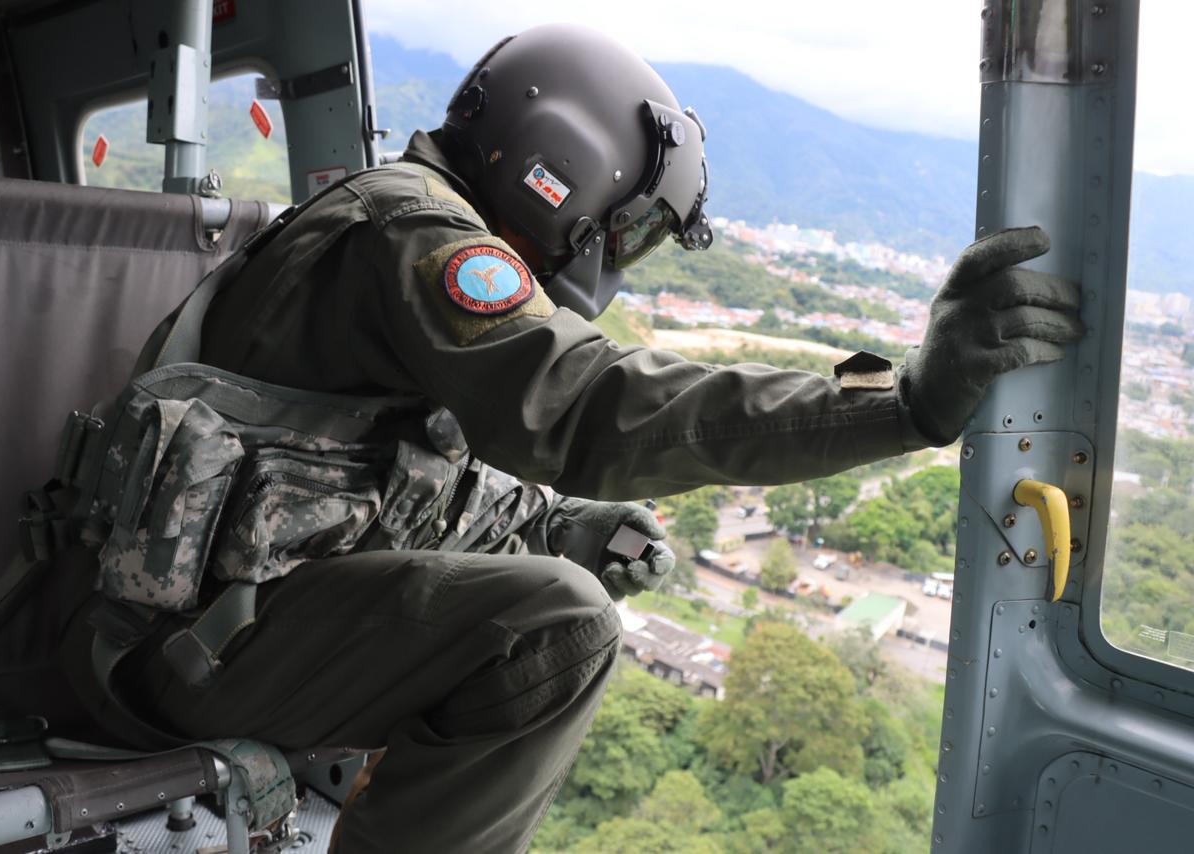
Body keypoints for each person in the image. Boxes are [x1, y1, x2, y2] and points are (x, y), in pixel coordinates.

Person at [59, 23, 1083, 854]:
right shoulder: (416, 235)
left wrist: (570, 524)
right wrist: (896, 404)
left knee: (561, 575)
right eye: (628, 228)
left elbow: (380, 481)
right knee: (561, 628)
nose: (617, 258)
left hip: (203, 630)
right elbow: (583, 409)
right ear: (564, 167)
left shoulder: (390, 225)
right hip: (162, 661)